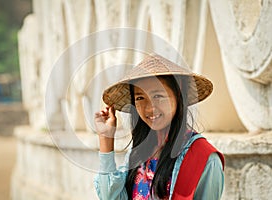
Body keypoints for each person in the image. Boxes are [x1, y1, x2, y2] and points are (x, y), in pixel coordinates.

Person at [94, 54, 224, 200]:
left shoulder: (205, 158)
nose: (149, 108)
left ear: (178, 95)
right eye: (140, 98)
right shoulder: (138, 153)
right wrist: (106, 138)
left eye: (158, 96)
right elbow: (110, 197)